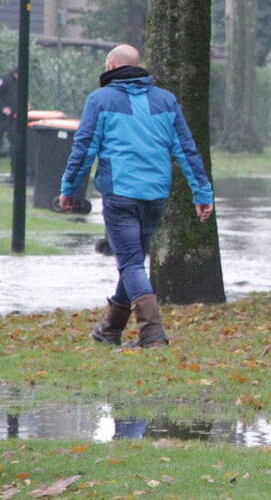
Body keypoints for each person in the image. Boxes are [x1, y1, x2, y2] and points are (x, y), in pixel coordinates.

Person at [60, 45, 215, 348]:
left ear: (113, 65)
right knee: (132, 262)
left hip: (120, 195)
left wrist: (69, 190)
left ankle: (152, 333)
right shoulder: (166, 100)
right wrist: (202, 192)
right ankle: (110, 329)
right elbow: (187, 150)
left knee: (130, 263)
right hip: (155, 196)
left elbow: (84, 148)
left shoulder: (100, 100)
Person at [0, 68, 18, 157]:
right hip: (2, 116)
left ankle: (15, 168)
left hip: (14, 116)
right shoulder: (4, 78)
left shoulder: (20, 81)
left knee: (15, 140)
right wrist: (2, 107)